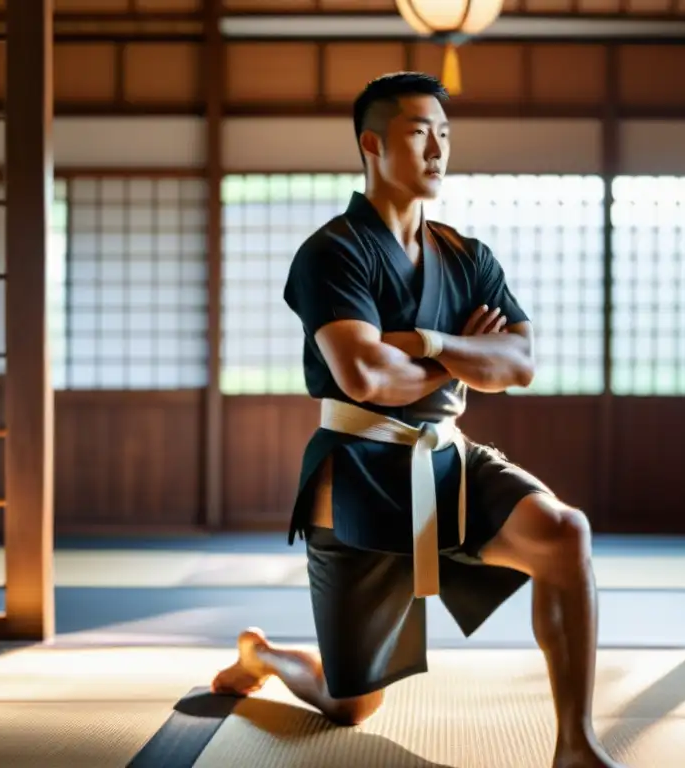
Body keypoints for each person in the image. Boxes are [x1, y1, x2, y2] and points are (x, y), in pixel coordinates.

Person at [212, 71, 625, 768]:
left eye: (445, 135)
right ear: (371, 145)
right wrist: (469, 357)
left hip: (448, 458)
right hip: (356, 475)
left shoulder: (467, 255)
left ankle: (575, 746)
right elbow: (366, 376)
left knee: (565, 534)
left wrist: (429, 345)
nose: (437, 149)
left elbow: (520, 364)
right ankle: (265, 656)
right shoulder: (332, 252)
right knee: (350, 706)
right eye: (417, 132)